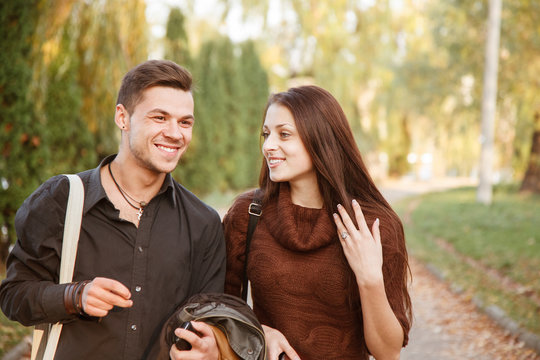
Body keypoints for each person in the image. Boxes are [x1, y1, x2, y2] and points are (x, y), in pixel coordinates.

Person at [0, 60, 226, 360]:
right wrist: (74, 296)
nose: (175, 133)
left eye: (185, 122)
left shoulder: (204, 224)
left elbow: (208, 323)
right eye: (159, 117)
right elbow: (13, 295)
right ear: (123, 117)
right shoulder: (61, 200)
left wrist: (213, 345)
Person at [223, 85, 412, 360]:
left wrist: (369, 279)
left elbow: (387, 352)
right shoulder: (248, 213)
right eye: (266, 134)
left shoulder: (374, 225)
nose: (268, 145)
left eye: (284, 134)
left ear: (321, 139)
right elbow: (220, 308)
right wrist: (259, 331)